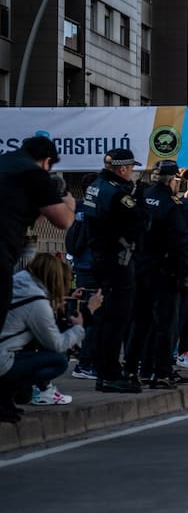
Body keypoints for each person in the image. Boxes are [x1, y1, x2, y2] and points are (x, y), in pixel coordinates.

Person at [128, 162, 188, 388]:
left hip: (140, 270)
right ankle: (162, 372)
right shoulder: (175, 205)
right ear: (172, 181)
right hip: (168, 272)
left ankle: (134, 370)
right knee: (166, 326)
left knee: (140, 325)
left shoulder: (142, 196)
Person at [0, 255, 104, 422]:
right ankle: (13, 391)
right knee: (58, 360)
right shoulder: (38, 304)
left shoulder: (19, 281)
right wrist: (85, 316)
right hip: (3, 359)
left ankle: (10, 396)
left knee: (25, 393)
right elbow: (56, 343)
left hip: (6, 350)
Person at [80, 148, 149, 393]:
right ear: (122, 169)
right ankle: (110, 373)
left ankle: (104, 371)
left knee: (105, 318)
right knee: (117, 319)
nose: (131, 172)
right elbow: (141, 222)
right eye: (130, 168)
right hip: (116, 261)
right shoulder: (118, 195)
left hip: (101, 258)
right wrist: (139, 197)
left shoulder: (96, 186)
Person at [0, 137, 74, 344]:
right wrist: (67, 202)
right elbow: (63, 221)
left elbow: (29, 215)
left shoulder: (6, 166)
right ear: (46, 161)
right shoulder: (33, 174)